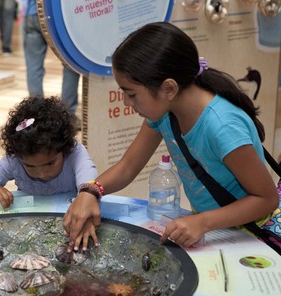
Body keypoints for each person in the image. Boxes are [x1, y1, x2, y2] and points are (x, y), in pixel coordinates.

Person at [63, 22, 279, 251]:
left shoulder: (222, 127)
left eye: (132, 94)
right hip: (216, 228)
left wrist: (202, 222)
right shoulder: (166, 113)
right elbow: (128, 166)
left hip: (251, 234)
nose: (127, 103)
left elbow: (266, 199)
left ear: (169, 88)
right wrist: (91, 190)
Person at [0, 95, 97, 209]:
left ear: (64, 149)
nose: (41, 174)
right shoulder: (15, 159)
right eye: (30, 166)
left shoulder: (74, 153)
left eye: (49, 164)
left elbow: (89, 179)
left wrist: (87, 195)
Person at [21, 0, 81, 117]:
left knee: (34, 66)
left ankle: (36, 114)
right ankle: (67, 115)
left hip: (32, 13)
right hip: (58, 14)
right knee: (71, 64)